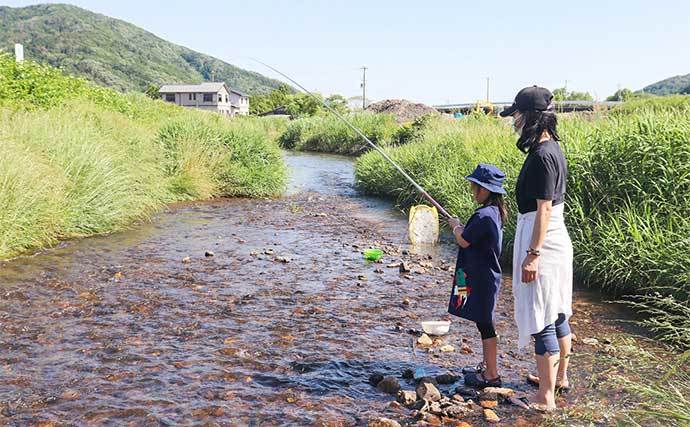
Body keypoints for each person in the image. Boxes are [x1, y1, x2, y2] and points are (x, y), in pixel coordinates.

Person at [500, 86, 574, 412]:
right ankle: (559, 380)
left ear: (529, 115)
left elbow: (544, 208)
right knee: (556, 310)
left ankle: (545, 399)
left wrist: (532, 254)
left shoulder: (543, 155)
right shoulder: (551, 148)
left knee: (542, 314)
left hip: (544, 240)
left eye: (516, 115)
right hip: (552, 237)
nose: (513, 121)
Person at [447, 164, 508, 388]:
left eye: (474, 187)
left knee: (485, 324)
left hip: (482, 279)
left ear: (484, 189)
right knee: (484, 323)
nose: (473, 191)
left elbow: (464, 240)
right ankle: (488, 366)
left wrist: (455, 226)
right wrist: (461, 228)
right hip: (486, 277)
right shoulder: (494, 212)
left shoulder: (483, 215)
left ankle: (491, 374)